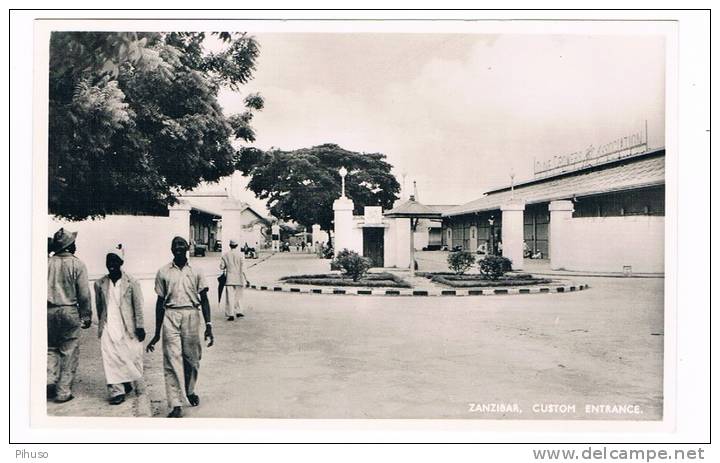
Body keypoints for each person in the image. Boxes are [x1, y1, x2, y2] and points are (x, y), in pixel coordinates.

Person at [146, 236, 214, 418]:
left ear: (187, 247)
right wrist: (157, 332)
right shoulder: (163, 272)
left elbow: (205, 300)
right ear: (171, 249)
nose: (178, 248)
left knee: (192, 359)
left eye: (181, 245)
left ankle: (189, 390)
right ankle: (175, 403)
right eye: (175, 245)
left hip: (192, 315)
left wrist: (209, 325)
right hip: (170, 315)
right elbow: (159, 302)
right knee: (171, 360)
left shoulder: (197, 271)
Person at [94, 246, 146, 405]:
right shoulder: (100, 284)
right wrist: (102, 326)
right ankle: (116, 392)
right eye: (108, 261)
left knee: (130, 356)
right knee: (110, 358)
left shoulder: (132, 282)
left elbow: (138, 305)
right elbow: (99, 306)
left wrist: (140, 326)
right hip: (109, 326)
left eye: (114, 261)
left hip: (127, 326)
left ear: (121, 262)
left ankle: (126, 382)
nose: (111, 264)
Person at [47, 228, 92, 403]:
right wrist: (86, 315)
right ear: (70, 245)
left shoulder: (47, 263)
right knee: (69, 350)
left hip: (48, 310)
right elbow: (84, 295)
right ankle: (63, 391)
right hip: (69, 310)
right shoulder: (77, 264)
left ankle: (49, 381)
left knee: (50, 348)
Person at [220, 239, 249, 321]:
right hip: (239, 279)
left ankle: (230, 314)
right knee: (238, 296)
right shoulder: (241, 255)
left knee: (229, 297)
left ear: (230, 245)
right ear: (237, 245)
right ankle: (239, 311)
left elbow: (221, 267)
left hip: (229, 279)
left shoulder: (225, 255)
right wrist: (247, 279)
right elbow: (244, 269)